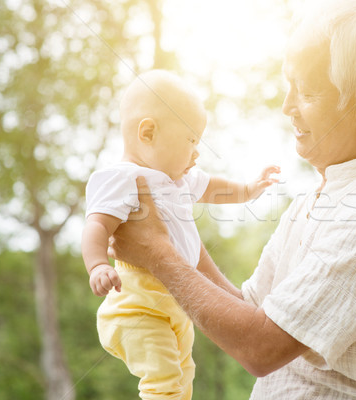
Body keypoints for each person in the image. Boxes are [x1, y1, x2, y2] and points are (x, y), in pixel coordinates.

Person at [109, 1, 356, 398]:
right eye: (289, 86)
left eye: (307, 93)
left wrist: (159, 255)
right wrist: (173, 228)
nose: (287, 107)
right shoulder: (319, 198)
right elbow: (249, 313)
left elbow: (260, 346)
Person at [81, 69, 280, 400]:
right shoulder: (121, 178)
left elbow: (214, 187)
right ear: (148, 132)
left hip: (175, 304)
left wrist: (248, 189)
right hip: (137, 306)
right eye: (191, 140)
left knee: (184, 376)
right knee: (164, 381)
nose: (197, 153)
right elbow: (97, 225)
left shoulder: (178, 179)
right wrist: (98, 265)